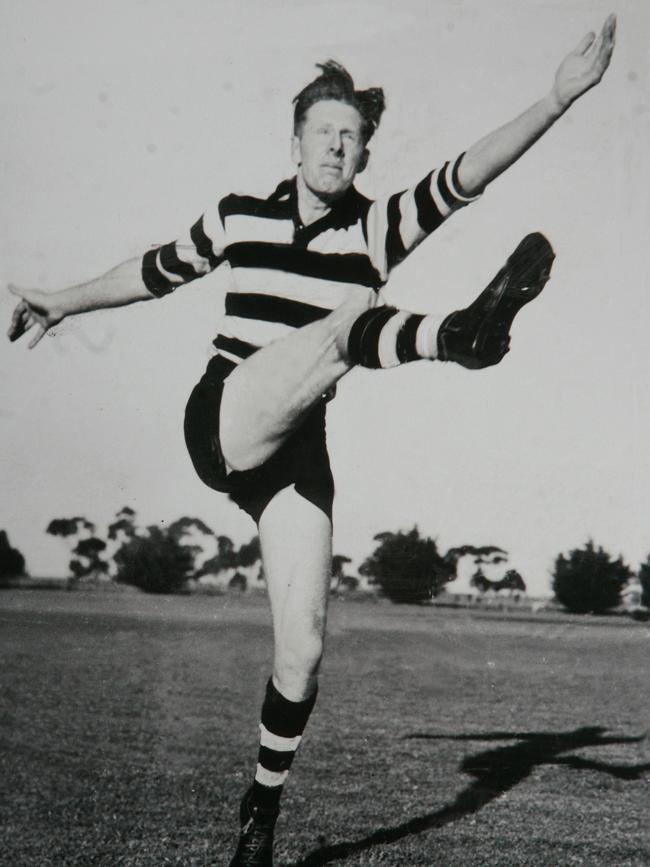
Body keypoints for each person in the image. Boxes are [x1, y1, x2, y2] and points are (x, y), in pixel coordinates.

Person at [7, 15, 616, 866]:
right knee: (345, 324)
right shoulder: (239, 217)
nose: (337, 148)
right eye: (324, 133)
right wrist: (64, 300)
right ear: (295, 142)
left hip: (297, 448)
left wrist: (554, 99)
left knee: (303, 649)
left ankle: (259, 813)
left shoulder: (374, 228)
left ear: (365, 156)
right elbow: (151, 273)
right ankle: (457, 337)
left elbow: (463, 174)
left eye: (353, 139)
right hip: (226, 413)